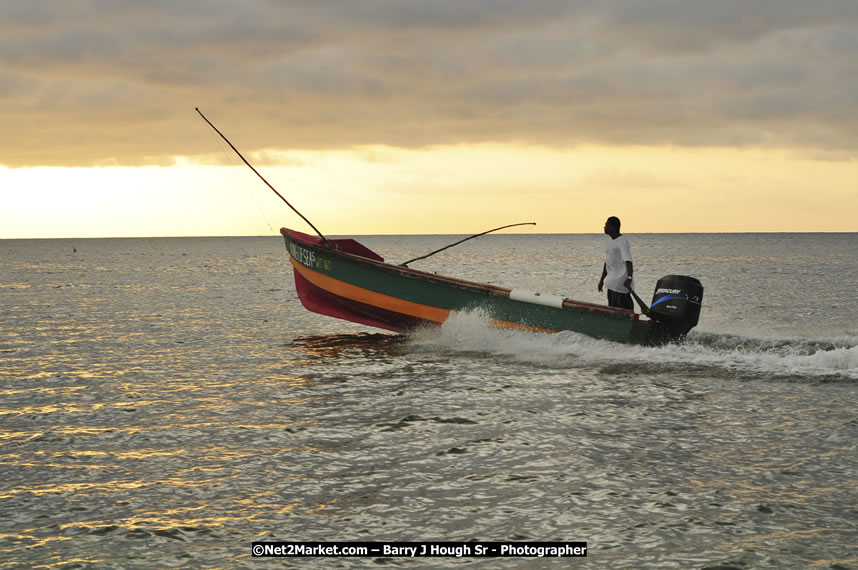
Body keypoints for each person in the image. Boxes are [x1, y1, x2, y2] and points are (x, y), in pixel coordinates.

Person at [597, 216, 634, 310]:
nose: (604, 227)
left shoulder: (622, 242)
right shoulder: (610, 241)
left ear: (613, 227)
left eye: (606, 225)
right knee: (612, 308)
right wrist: (601, 280)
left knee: (623, 308)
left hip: (620, 283)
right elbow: (608, 262)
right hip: (611, 283)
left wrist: (629, 277)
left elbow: (628, 261)